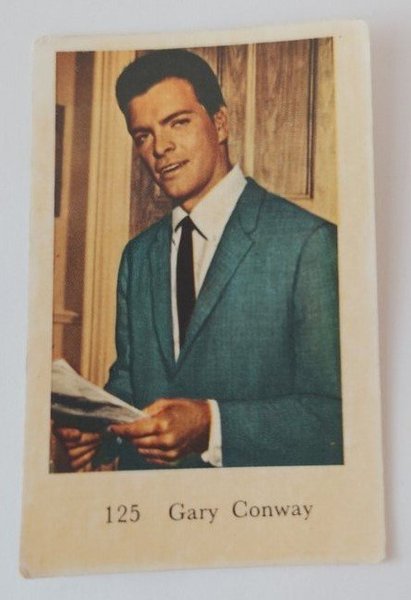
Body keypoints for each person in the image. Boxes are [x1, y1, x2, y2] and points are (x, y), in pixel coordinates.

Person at [56, 49, 343, 471]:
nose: (161, 147)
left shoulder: (308, 243)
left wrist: (212, 425)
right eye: (143, 135)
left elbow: (335, 417)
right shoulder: (137, 256)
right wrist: (100, 433)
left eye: (178, 122)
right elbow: (130, 385)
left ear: (220, 123)